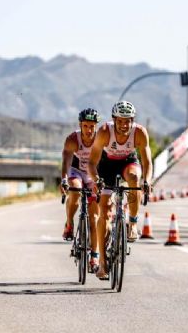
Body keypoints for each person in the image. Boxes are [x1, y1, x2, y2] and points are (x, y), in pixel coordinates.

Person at [87, 100, 153, 279]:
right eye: (120, 121)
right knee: (105, 211)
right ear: (114, 120)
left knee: (134, 179)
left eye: (128, 121)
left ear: (133, 120)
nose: (124, 125)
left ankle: (132, 223)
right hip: (106, 166)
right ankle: (102, 262)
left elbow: (147, 162)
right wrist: (96, 180)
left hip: (128, 162)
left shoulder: (139, 132)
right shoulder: (103, 132)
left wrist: (146, 181)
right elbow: (92, 163)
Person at [60, 108, 101, 272]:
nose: (89, 130)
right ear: (80, 125)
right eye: (86, 126)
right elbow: (66, 160)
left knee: (95, 217)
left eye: (92, 126)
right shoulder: (73, 139)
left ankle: (94, 255)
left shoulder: (101, 138)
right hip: (76, 172)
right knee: (75, 191)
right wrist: (64, 179)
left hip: (93, 176)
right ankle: (69, 224)